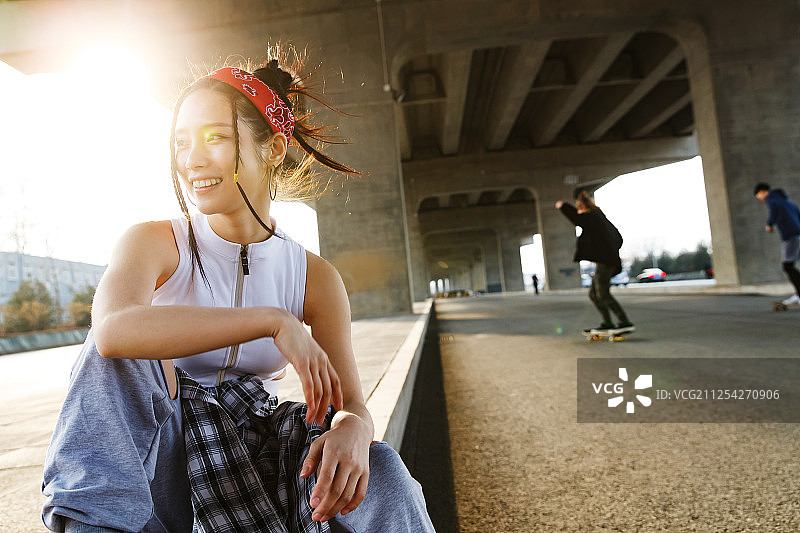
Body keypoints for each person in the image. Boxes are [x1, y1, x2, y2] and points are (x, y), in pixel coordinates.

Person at [42, 49, 435, 533]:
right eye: (181, 142)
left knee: (386, 474)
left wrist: (354, 427)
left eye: (216, 138)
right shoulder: (154, 242)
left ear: (274, 147)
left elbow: (348, 401)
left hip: (260, 448)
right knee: (122, 355)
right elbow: (111, 332)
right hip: (161, 463)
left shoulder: (314, 276)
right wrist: (272, 321)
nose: (192, 160)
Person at [556, 190, 634, 334]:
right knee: (594, 294)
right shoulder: (600, 219)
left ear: (582, 208)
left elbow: (578, 219)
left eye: (579, 209)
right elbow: (619, 238)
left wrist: (563, 206)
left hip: (606, 261)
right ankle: (608, 322)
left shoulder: (592, 217)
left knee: (602, 293)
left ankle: (625, 322)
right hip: (606, 260)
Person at [754, 182, 800, 306]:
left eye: (758, 196)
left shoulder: (771, 198)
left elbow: (774, 208)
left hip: (790, 236)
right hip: (798, 234)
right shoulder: (787, 201)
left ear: (762, 192)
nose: (761, 199)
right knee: (791, 266)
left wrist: (769, 223)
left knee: (788, 266)